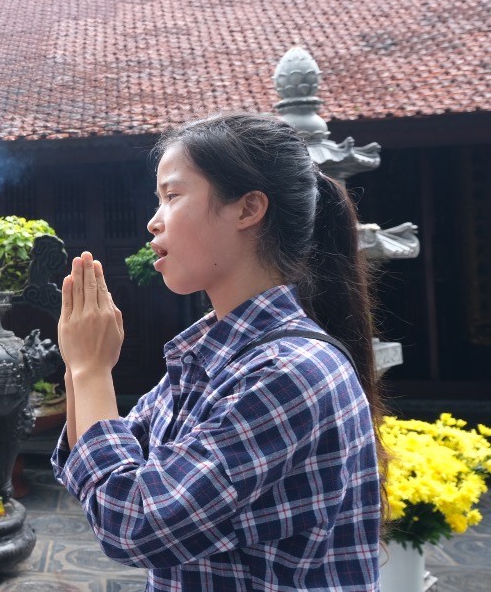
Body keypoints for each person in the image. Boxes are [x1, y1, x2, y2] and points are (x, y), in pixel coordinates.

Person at [53, 113, 384, 590]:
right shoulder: (214, 353)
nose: (153, 220)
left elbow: (134, 523)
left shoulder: (286, 372)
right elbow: (111, 463)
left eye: (172, 196)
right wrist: (77, 360)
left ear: (248, 208)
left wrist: (90, 371)